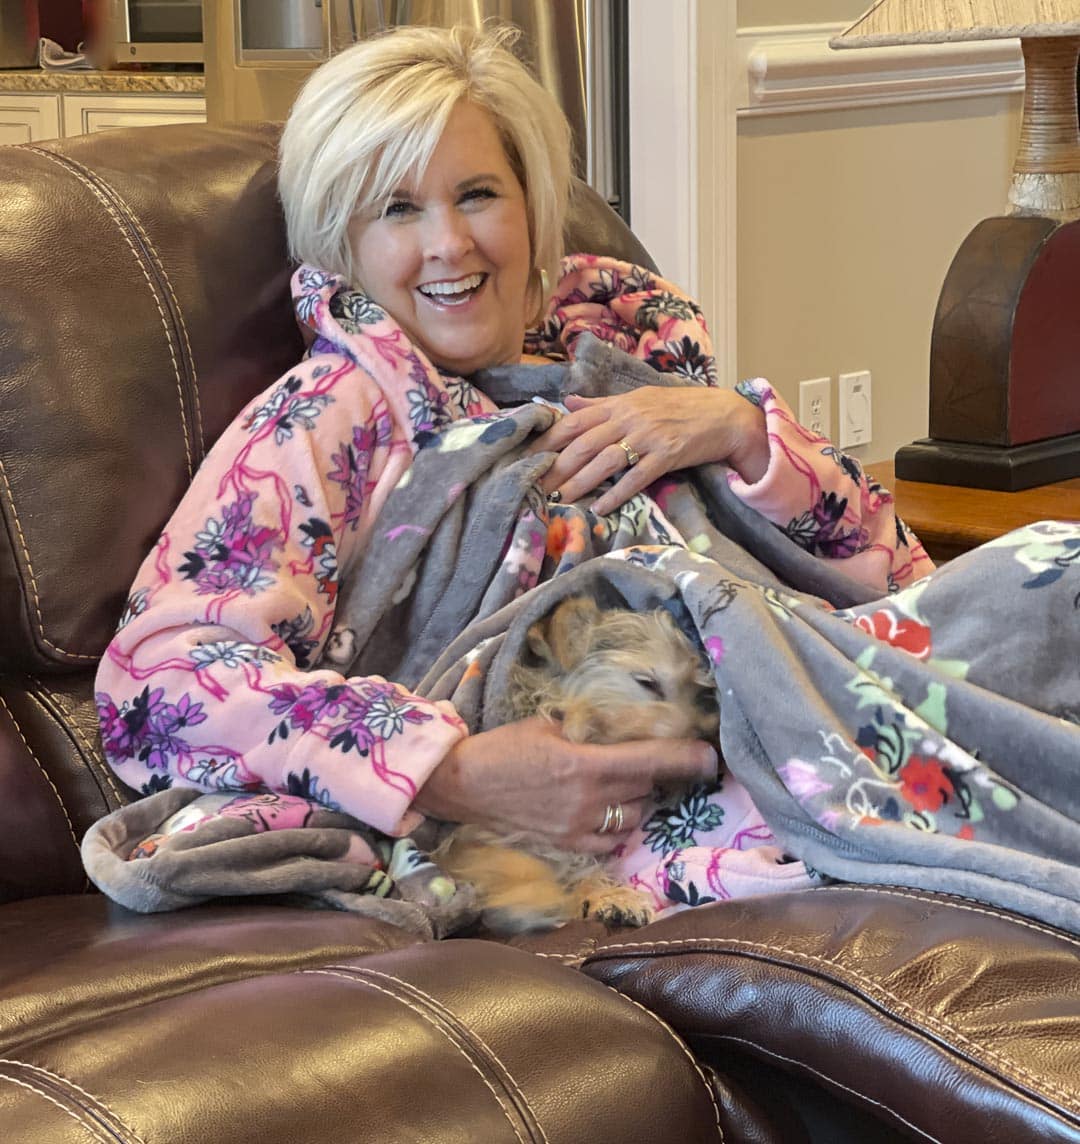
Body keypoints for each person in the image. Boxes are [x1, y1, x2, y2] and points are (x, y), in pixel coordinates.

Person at [94, 24, 933, 919]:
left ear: (531, 206)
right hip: (661, 809)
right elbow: (161, 684)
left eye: (478, 194)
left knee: (1027, 584)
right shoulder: (328, 414)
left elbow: (896, 573)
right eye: (398, 210)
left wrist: (742, 433)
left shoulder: (635, 358)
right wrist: (450, 770)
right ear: (343, 244)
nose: (450, 243)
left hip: (807, 687)